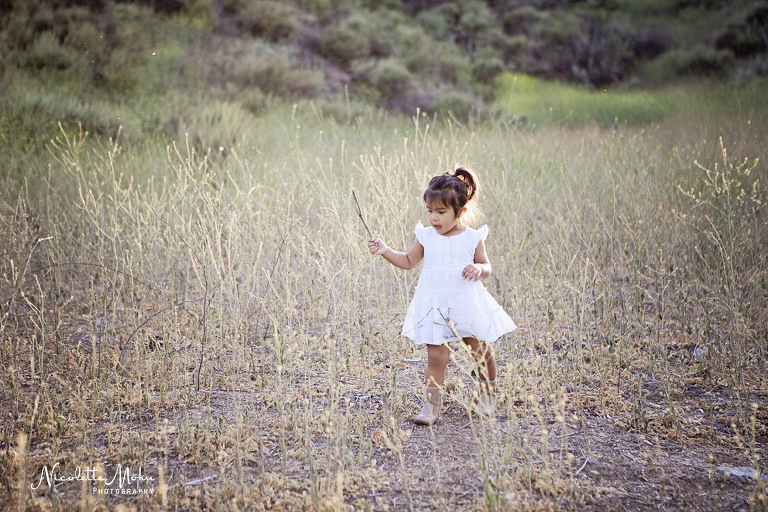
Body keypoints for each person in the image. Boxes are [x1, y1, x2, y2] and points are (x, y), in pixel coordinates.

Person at [368, 166, 517, 425]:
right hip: (435, 303)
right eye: (429, 212)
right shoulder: (426, 236)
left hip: (465, 301)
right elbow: (407, 261)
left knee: (479, 349)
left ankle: (488, 396)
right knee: (436, 355)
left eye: (441, 212)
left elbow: (487, 266)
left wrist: (478, 268)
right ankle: (431, 406)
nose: (434, 219)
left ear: (461, 212)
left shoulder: (472, 238)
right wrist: (384, 250)